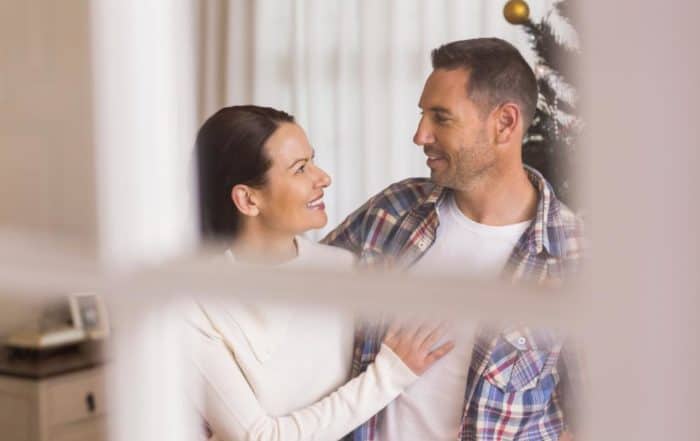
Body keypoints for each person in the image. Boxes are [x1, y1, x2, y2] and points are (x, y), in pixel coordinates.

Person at [324, 38, 584, 440]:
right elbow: (294, 312)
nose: (420, 135)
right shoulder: (392, 212)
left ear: (505, 123)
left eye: (441, 118)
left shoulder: (578, 257)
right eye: (422, 116)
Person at [182, 105, 454, 441]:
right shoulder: (192, 303)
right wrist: (391, 374)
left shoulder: (342, 270)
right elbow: (259, 437)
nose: (323, 177)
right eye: (300, 169)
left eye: (312, 160)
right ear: (248, 199)